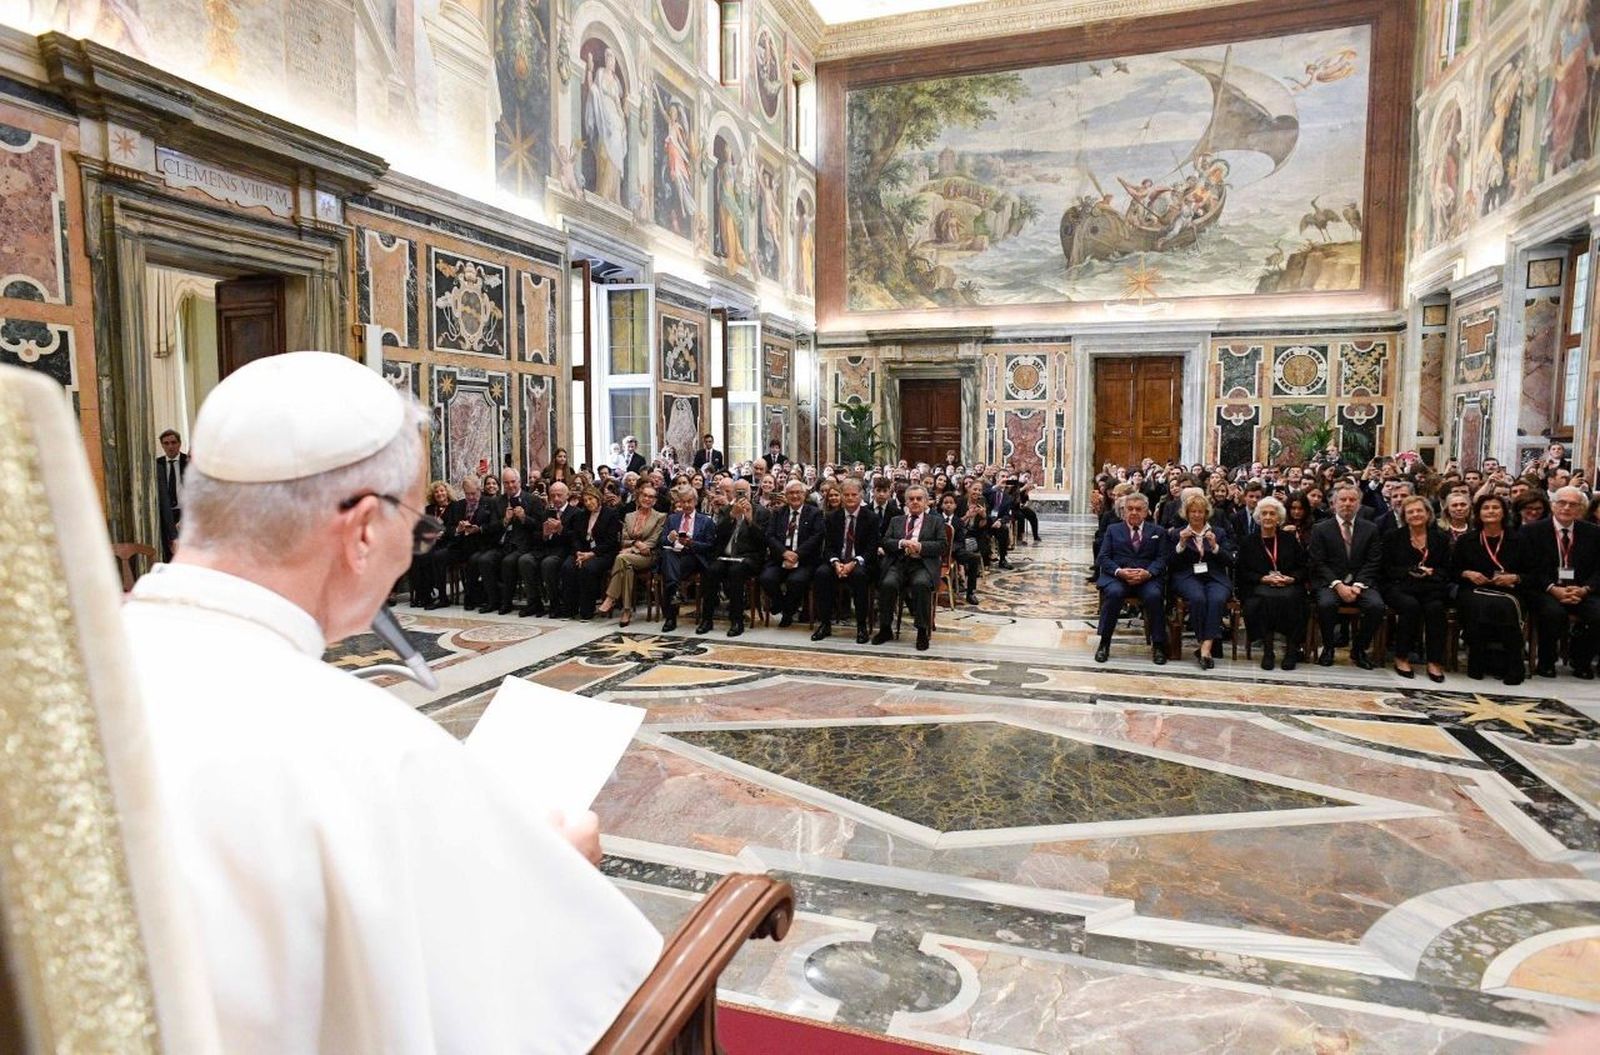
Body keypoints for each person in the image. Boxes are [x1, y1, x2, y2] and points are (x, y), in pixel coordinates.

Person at [119, 351, 660, 1052]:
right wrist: (554, 873)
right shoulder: (368, 750)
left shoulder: (69, 669)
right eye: (417, 522)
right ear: (366, 529)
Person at [1523, 485, 1600, 679]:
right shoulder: (1532, 531)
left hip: (1581, 590)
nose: (1566, 508)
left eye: (1573, 504)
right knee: (1553, 613)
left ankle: (1581, 661)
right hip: (1545, 589)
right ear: (1552, 505)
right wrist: (1552, 588)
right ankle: (1546, 662)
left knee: (1597, 613)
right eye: (1562, 503)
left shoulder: (1593, 533)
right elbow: (1529, 567)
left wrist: (1585, 589)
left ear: (1581, 508)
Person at [1307, 483, 1385, 669]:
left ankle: (1358, 649)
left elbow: (1373, 561)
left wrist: (1358, 585)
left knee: (1376, 606)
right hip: (1330, 582)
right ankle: (1328, 648)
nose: (1347, 503)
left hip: (1361, 582)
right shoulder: (1320, 528)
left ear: (1359, 504)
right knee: (1326, 604)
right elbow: (1318, 562)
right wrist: (1338, 585)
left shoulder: (1371, 529)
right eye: (1343, 499)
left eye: (1352, 500)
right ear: (1334, 503)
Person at [1452, 493, 1527, 684]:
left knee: (1504, 605)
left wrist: (1516, 577)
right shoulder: (1466, 540)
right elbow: (1452, 570)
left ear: (1504, 512)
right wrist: (1467, 573)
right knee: (1480, 604)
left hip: (1509, 589)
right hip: (1473, 589)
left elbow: (1534, 572)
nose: (1490, 511)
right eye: (1485, 508)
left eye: (1495, 507)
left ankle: (1513, 662)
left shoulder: (1520, 540)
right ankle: (1477, 659)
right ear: (1478, 513)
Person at [1381, 495, 1451, 682]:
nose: (1415, 514)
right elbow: (1386, 568)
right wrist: (1410, 571)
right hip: (1399, 586)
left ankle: (1434, 661)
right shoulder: (1392, 537)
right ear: (1404, 516)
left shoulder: (1440, 539)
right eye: (1410, 512)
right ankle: (1401, 656)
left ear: (1428, 514)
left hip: (1431, 586)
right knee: (1410, 606)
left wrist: (1431, 572)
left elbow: (1447, 569)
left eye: (1419, 510)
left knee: (1436, 608)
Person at [1094, 492, 1169, 665]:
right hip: (1119, 577)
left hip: (1147, 578)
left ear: (1146, 511)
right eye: (1130, 509)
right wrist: (1119, 571)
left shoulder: (1158, 531)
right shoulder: (1113, 530)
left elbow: (1162, 558)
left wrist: (1148, 573)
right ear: (1124, 511)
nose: (1134, 512)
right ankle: (1104, 642)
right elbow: (1103, 557)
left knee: (1154, 596)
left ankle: (1158, 644)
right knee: (1114, 593)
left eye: (1138, 509)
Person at [1167, 488, 1235, 670]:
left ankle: (1206, 647)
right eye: (1193, 511)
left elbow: (1230, 560)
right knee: (1198, 598)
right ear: (1186, 513)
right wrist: (1181, 544)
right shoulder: (1176, 534)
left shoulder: (1219, 532)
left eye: (1200, 512)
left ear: (1206, 513)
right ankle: (1204, 645)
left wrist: (1215, 547)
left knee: (1217, 599)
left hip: (1215, 577)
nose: (1197, 515)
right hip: (1187, 576)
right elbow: (1170, 562)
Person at [873, 485, 945, 652]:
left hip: (922, 564)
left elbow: (942, 546)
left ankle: (922, 631)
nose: (915, 502)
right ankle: (885, 628)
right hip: (899, 562)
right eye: (911, 499)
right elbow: (885, 541)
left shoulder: (936, 521)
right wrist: (901, 543)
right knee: (888, 584)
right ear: (906, 502)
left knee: (921, 584)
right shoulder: (896, 520)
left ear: (926, 502)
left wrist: (920, 546)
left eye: (919, 499)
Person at [1237, 496, 1306, 670]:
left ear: (1279, 518)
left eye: (1272, 514)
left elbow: (1303, 567)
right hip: (1259, 585)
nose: (1267, 517)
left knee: (1293, 599)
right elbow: (1242, 571)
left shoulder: (1289, 539)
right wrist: (1262, 578)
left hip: (1288, 585)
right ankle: (1268, 651)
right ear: (1258, 517)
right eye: (1264, 513)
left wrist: (1291, 578)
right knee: (1264, 599)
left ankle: (1291, 650)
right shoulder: (1248, 541)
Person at [813, 477, 880, 643]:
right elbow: (828, 547)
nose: (850, 498)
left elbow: (871, 549)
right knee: (821, 573)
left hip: (861, 562)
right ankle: (825, 624)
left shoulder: (871, 518)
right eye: (846, 495)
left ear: (861, 496)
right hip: (838, 561)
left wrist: (854, 563)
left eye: (854, 495)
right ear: (841, 496)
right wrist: (836, 562)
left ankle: (861, 626)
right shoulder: (832, 517)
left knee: (859, 576)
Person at [698, 482, 767, 637]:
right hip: (726, 556)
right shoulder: (727, 510)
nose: (741, 495)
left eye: (744, 492)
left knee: (736, 572)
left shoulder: (761, 512)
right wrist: (731, 517)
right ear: (733, 494)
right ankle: (707, 619)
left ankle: (737, 621)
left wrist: (750, 521)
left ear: (750, 493)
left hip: (748, 558)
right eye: (738, 492)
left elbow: (762, 541)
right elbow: (718, 534)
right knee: (712, 570)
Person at [598, 484, 665, 627]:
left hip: (649, 556)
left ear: (655, 500)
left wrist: (632, 549)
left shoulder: (660, 517)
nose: (647, 499)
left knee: (621, 558)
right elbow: (624, 539)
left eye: (651, 497)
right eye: (644, 495)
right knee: (626, 565)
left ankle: (611, 597)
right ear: (639, 497)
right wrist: (635, 543)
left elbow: (652, 542)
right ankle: (626, 610)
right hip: (628, 556)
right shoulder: (629, 516)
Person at [761, 480, 824, 627]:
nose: (795, 496)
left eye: (798, 492)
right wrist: (784, 553)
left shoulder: (814, 513)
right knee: (766, 578)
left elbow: (817, 537)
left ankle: (787, 613)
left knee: (795, 581)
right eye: (791, 493)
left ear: (804, 494)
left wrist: (796, 554)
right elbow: (769, 536)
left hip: (804, 560)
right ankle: (781, 604)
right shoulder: (778, 513)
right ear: (786, 495)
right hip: (780, 558)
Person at [658, 485, 715, 632]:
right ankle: (675, 593)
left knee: (671, 571)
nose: (686, 505)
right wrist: (670, 538)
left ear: (695, 501)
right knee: (668, 556)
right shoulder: (673, 519)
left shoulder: (705, 521)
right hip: (674, 554)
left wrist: (691, 543)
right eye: (683, 502)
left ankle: (671, 616)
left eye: (689, 501)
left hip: (693, 556)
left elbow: (710, 546)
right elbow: (662, 541)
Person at [558, 487, 621, 620]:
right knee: (568, 567)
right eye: (585, 500)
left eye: (590, 499)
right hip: (582, 551)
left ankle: (586, 610)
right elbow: (575, 538)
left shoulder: (610, 514)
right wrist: (579, 553)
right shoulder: (581, 515)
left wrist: (591, 554)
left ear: (598, 498)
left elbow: (611, 542)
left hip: (603, 553)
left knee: (588, 568)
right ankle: (569, 609)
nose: (588, 503)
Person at [409, 480, 454, 607]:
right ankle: (423, 594)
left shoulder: (454, 507)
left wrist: (442, 533)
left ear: (447, 492)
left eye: (442, 490)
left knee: (430, 556)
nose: (439, 493)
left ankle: (432, 594)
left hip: (446, 543)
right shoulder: (429, 509)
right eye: (436, 492)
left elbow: (454, 527)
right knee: (416, 555)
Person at [155, 428, 188, 563]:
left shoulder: (188, 461)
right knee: (169, 551)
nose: (170, 446)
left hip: (185, 512)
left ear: (179, 444)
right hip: (165, 514)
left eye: (173, 442)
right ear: (162, 445)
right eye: (166, 443)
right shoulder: (157, 464)